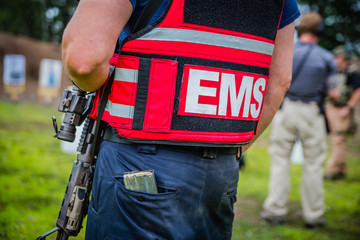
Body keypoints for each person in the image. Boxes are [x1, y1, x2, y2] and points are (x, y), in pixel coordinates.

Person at [62, 0, 300, 239]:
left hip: (137, 160)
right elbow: (279, 81)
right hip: (222, 171)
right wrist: (233, 149)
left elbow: (84, 62)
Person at [260, 12, 336, 228]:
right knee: (313, 164)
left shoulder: (287, 53)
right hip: (312, 113)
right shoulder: (326, 57)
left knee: (279, 160)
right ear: (319, 31)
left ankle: (274, 210)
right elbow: (334, 92)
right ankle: (313, 216)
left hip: (286, 110)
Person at [324, 46, 360, 180]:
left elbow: (358, 91)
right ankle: (341, 170)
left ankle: (333, 171)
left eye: (337, 57)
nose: (335, 60)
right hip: (333, 107)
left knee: (338, 139)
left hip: (342, 109)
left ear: (343, 57)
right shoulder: (335, 71)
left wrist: (348, 107)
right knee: (337, 139)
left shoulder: (352, 73)